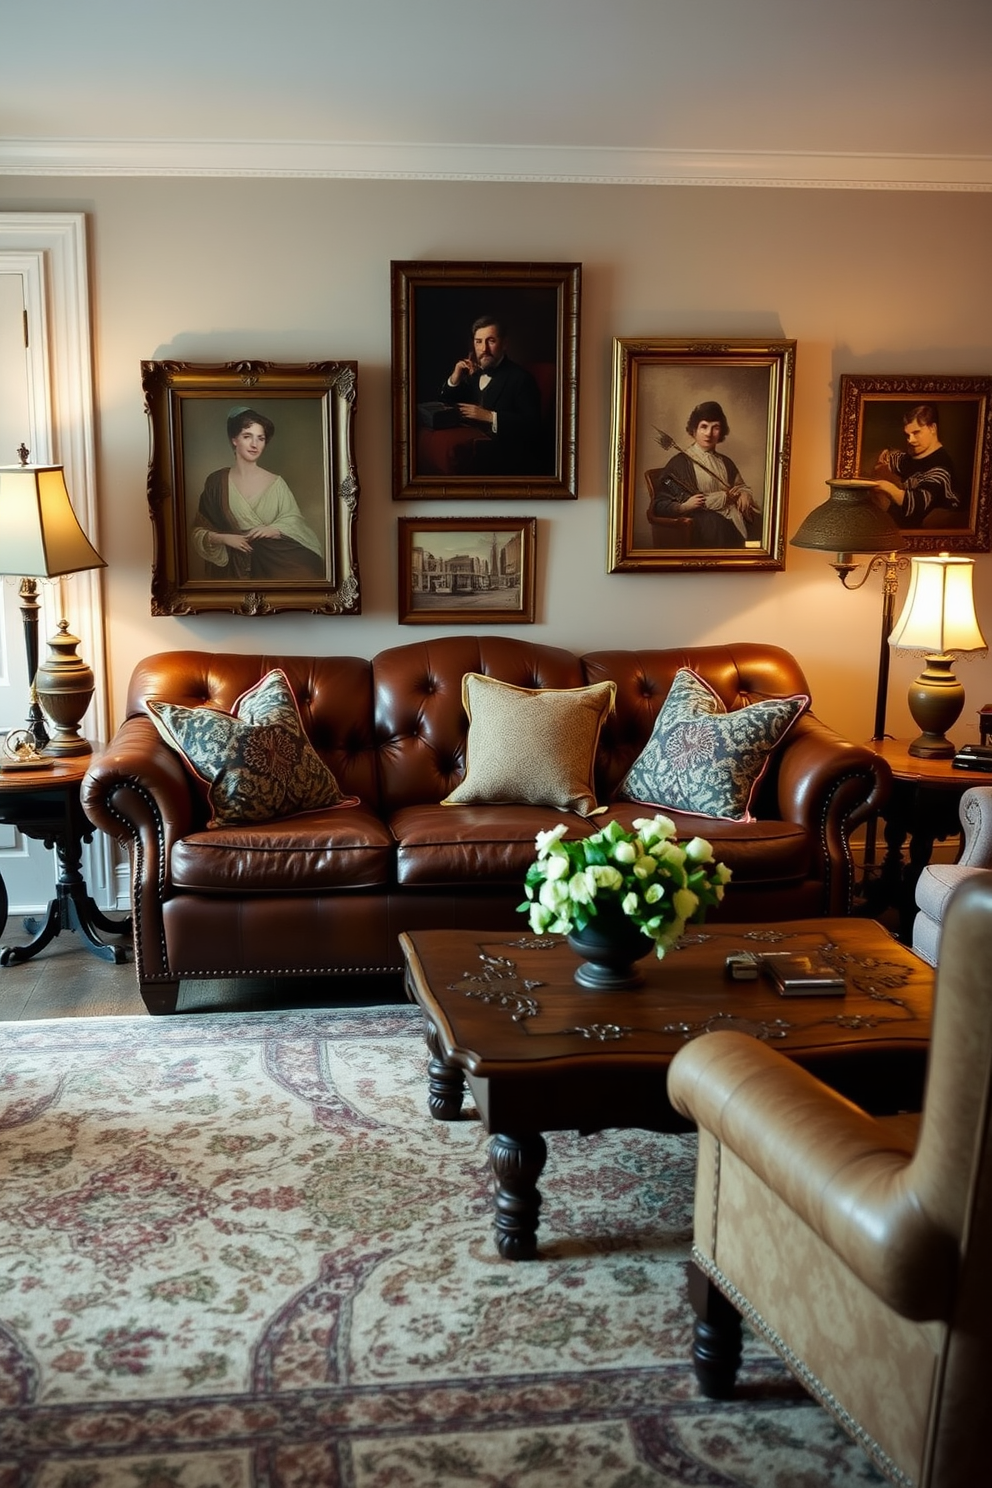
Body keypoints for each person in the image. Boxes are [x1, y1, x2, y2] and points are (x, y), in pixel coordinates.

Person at [191, 408, 324, 579]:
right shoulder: (216, 482)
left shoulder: (277, 484)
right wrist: (224, 539)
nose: (255, 444)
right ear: (234, 440)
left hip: (275, 564)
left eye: (260, 438)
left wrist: (275, 529)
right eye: (247, 436)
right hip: (231, 571)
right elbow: (198, 531)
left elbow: (296, 523)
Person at [438, 316, 545, 474]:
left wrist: (490, 416)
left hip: (506, 464)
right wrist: (455, 377)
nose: (484, 349)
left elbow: (532, 425)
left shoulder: (521, 378)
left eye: (491, 341)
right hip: (473, 458)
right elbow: (445, 401)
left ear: (505, 344)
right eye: (478, 341)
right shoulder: (473, 375)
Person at [648, 401, 761, 547]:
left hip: (734, 514)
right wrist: (684, 507)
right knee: (718, 525)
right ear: (694, 430)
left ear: (721, 432)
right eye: (704, 426)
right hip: (704, 519)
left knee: (758, 522)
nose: (708, 433)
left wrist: (745, 494)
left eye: (715, 427)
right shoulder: (679, 464)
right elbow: (659, 505)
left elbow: (739, 486)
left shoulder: (726, 462)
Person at [871, 404, 961, 527]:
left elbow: (919, 504)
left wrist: (888, 488)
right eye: (907, 435)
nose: (910, 440)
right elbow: (897, 460)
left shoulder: (941, 467)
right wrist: (885, 459)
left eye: (916, 432)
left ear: (932, 428)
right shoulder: (914, 455)